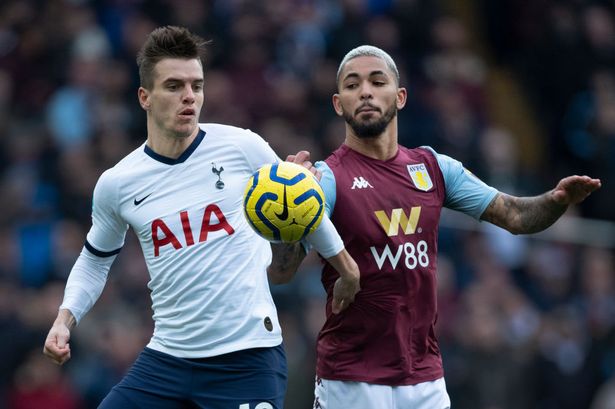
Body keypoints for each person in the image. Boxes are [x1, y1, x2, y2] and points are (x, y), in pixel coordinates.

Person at [42, 25, 360, 409]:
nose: (189, 96)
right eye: (174, 86)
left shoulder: (242, 147)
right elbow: (95, 260)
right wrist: (64, 320)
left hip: (247, 359)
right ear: (145, 97)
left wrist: (347, 268)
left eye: (197, 85)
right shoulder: (118, 183)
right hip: (167, 360)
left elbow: (301, 206)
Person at [273, 45, 602, 409]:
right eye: (352, 85)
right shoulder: (326, 180)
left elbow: (515, 216)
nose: (365, 91)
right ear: (338, 104)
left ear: (400, 97)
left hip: (425, 379)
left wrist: (556, 200)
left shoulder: (433, 168)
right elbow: (282, 272)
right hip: (352, 379)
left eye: (377, 82)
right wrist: (289, 211)